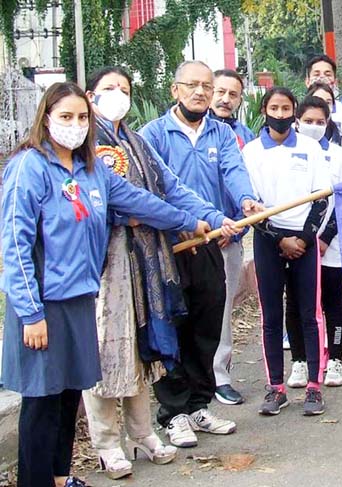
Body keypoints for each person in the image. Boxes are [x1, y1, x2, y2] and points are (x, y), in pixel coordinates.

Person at [1, 81, 214, 487]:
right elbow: (15, 244)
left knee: (67, 396)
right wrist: (30, 314)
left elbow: (141, 202)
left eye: (82, 117)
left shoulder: (93, 171)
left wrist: (189, 221)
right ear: (45, 119)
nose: (76, 125)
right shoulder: (29, 167)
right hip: (43, 306)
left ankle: (61, 478)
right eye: (65, 116)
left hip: (82, 298)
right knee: (42, 402)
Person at [82, 67, 241, 479]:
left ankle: (143, 432)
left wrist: (210, 215)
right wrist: (181, 220)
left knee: (145, 343)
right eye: (108, 89)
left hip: (148, 259)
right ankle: (106, 442)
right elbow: (124, 201)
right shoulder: (85, 147)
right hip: (106, 262)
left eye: (124, 89)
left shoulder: (134, 141)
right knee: (107, 347)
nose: (118, 95)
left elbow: (170, 187)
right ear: (89, 95)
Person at [140, 60, 262, 447]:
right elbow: (156, 188)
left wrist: (245, 201)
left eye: (207, 86)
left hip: (213, 241)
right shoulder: (153, 135)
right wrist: (187, 220)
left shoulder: (221, 134)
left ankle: (199, 404)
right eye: (191, 85)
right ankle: (173, 413)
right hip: (169, 245)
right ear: (175, 89)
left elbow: (234, 170)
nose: (200, 92)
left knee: (207, 325)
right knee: (174, 328)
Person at [241, 88, 331, 416]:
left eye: (286, 108)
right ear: (264, 110)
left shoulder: (310, 147)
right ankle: (276, 387)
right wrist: (279, 239)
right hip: (268, 240)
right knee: (271, 316)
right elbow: (250, 202)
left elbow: (322, 197)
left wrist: (304, 239)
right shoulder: (251, 152)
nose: (280, 114)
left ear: (294, 112)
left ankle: (313, 386)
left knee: (309, 313)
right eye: (274, 108)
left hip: (305, 241)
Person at [284, 96, 342, 387]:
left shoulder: (339, 154)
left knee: (333, 300)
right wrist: (298, 239)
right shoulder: (287, 153)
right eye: (308, 121)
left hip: (330, 244)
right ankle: (300, 361)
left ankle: (334, 360)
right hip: (296, 244)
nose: (314, 126)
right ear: (296, 122)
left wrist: (324, 237)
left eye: (320, 122)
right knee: (297, 303)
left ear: (328, 123)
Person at [208, 68, 256, 406]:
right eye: (219, 91)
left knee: (222, 309)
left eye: (232, 94)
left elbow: (248, 185)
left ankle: (220, 376)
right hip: (191, 238)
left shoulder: (244, 137)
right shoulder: (168, 133)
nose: (225, 99)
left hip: (230, 239)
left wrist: (239, 225)